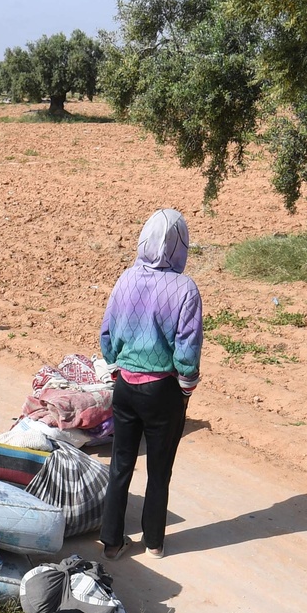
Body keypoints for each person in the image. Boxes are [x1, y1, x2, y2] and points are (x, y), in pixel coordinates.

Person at [98, 208, 202, 561]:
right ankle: (154, 542)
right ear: (179, 245)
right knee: (160, 468)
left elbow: (107, 332)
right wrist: (186, 388)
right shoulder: (185, 289)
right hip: (163, 392)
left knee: (120, 464)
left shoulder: (126, 278)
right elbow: (188, 347)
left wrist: (115, 368)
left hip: (125, 385)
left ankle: (111, 541)